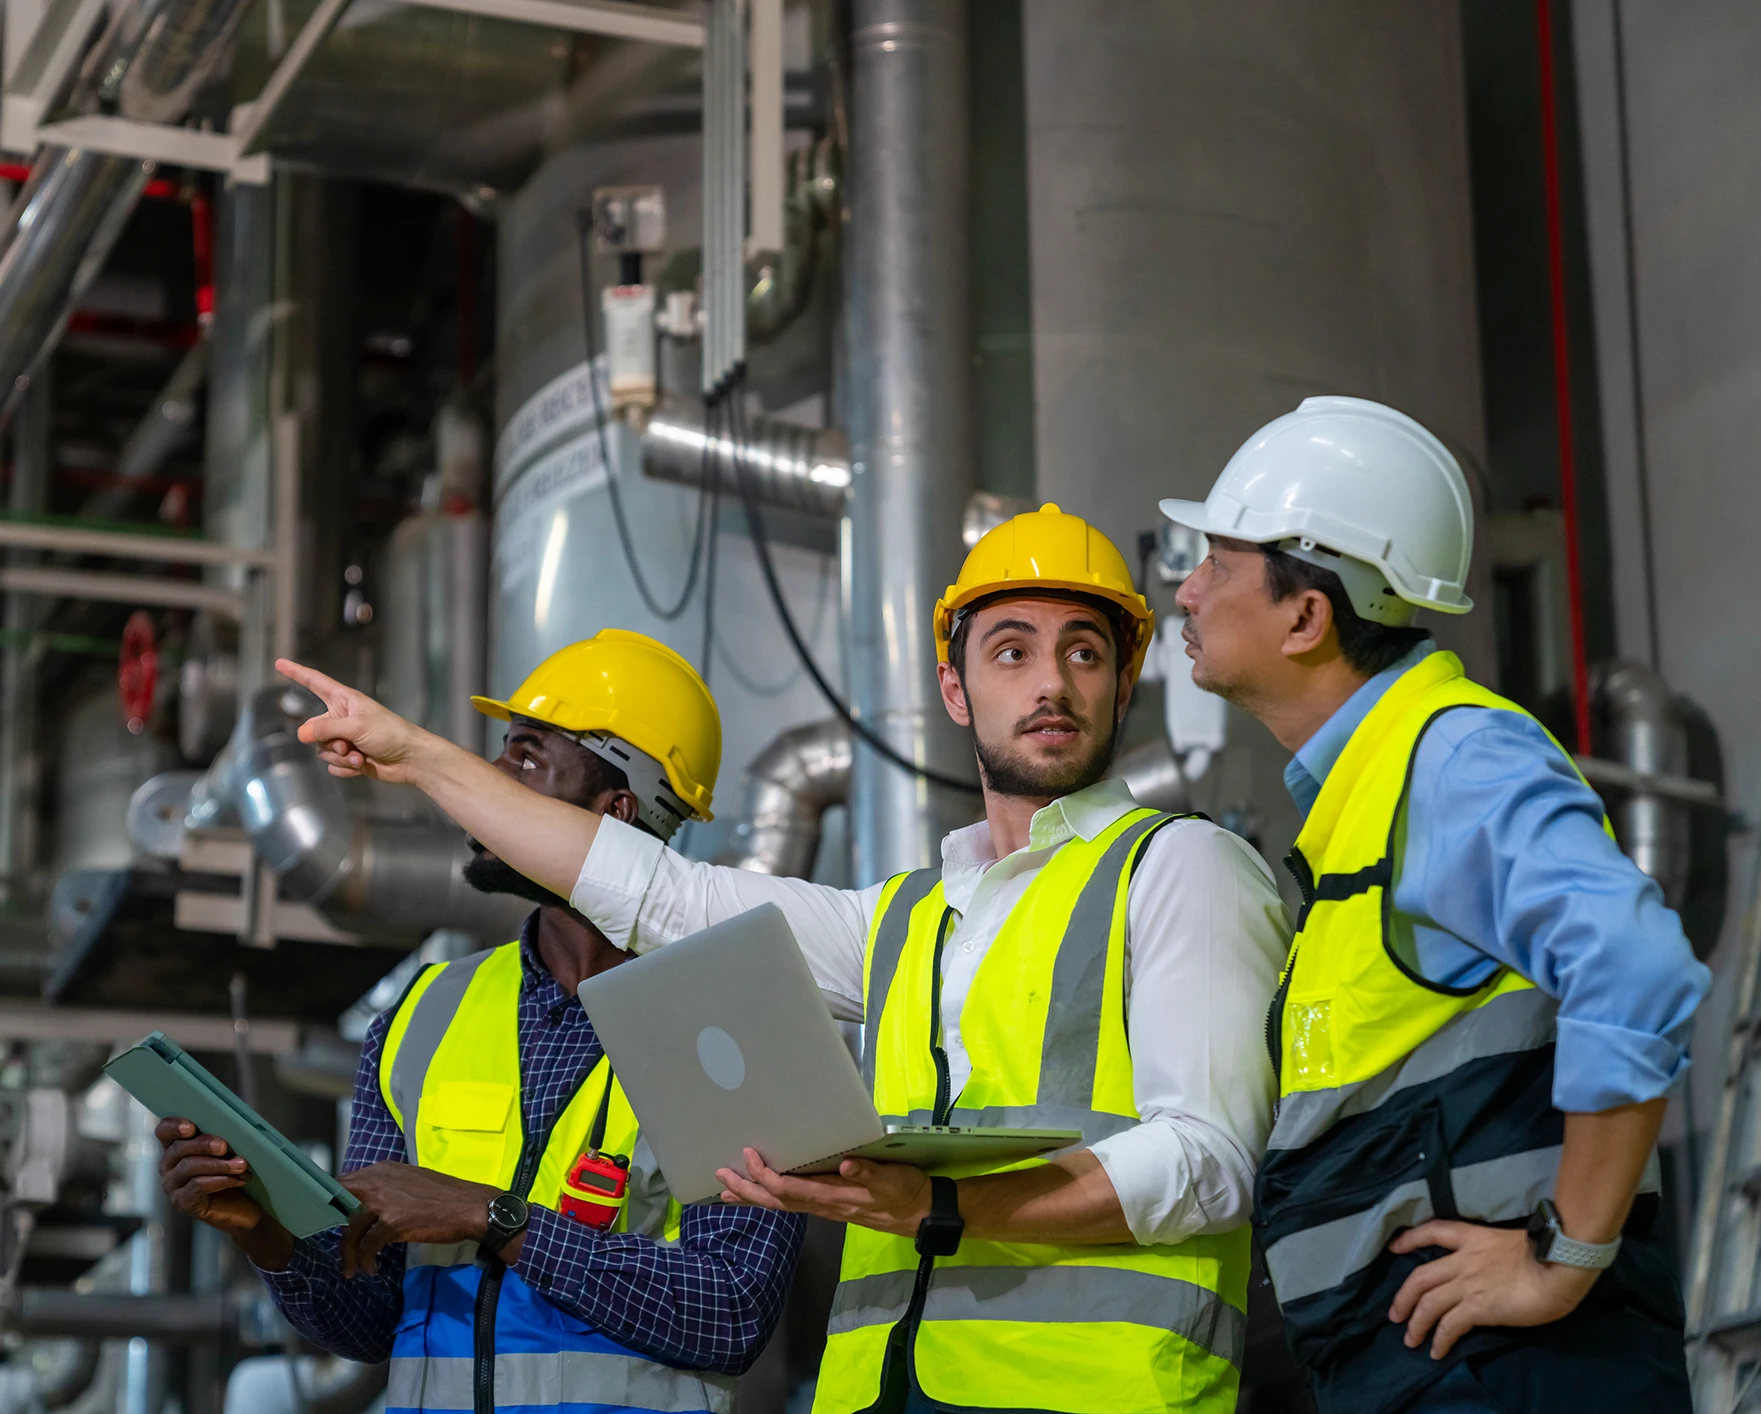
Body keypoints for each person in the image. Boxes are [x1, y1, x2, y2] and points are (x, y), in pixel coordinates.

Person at [280, 505, 1292, 1414]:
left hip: (1095, 1401)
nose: (1051, 684)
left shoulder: (1183, 867)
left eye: (1083, 653)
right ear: (955, 685)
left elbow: (1210, 1163)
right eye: (1012, 651)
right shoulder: (899, 922)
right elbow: (660, 891)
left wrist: (944, 1204)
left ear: (1124, 684)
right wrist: (415, 755)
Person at [1162, 395, 1709, 1413]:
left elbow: (1636, 965)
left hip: (1508, 1375)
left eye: (1216, 564)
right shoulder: (1366, 799)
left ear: (1306, 614)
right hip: (1433, 1369)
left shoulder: (1449, 754)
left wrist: (1564, 1254)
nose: (1186, 593)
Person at [156, 629, 805, 1414]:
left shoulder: (733, 1017)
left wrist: (488, 1215)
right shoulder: (422, 1014)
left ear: (616, 808)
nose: (488, 779)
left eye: (527, 757)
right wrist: (264, 1233)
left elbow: (728, 1311)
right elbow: (370, 1320)